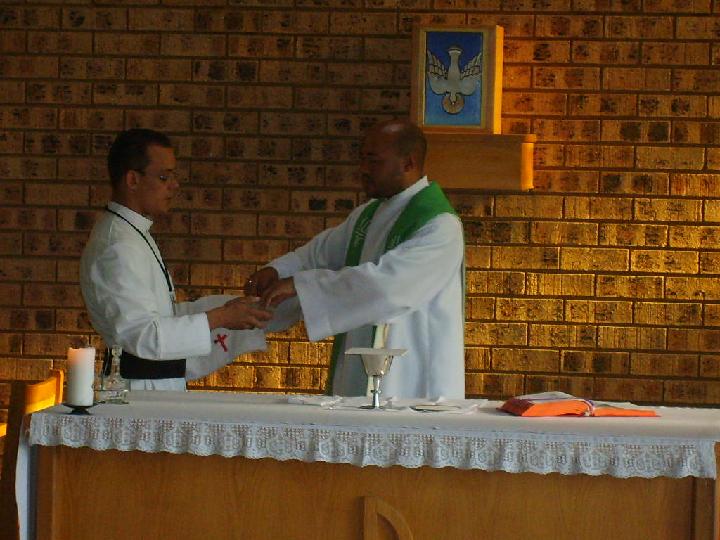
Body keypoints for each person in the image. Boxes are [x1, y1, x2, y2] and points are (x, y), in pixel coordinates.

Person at [245, 119, 465, 399]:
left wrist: (300, 285)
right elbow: (318, 255)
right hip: (358, 370)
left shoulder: (439, 225)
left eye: (373, 161)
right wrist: (277, 270)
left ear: (408, 163)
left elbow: (386, 288)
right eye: (361, 159)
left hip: (415, 381)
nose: (363, 169)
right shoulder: (368, 215)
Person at [80, 128, 272, 391]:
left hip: (153, 384)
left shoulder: (132, 233)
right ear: (133, 180)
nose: (174, 185)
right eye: (163, 177)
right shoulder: (118, 246)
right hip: (138, 390)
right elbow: (143, 335)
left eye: (173, 176)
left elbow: (162, 316)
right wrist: (221, 317)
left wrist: (227, 310)